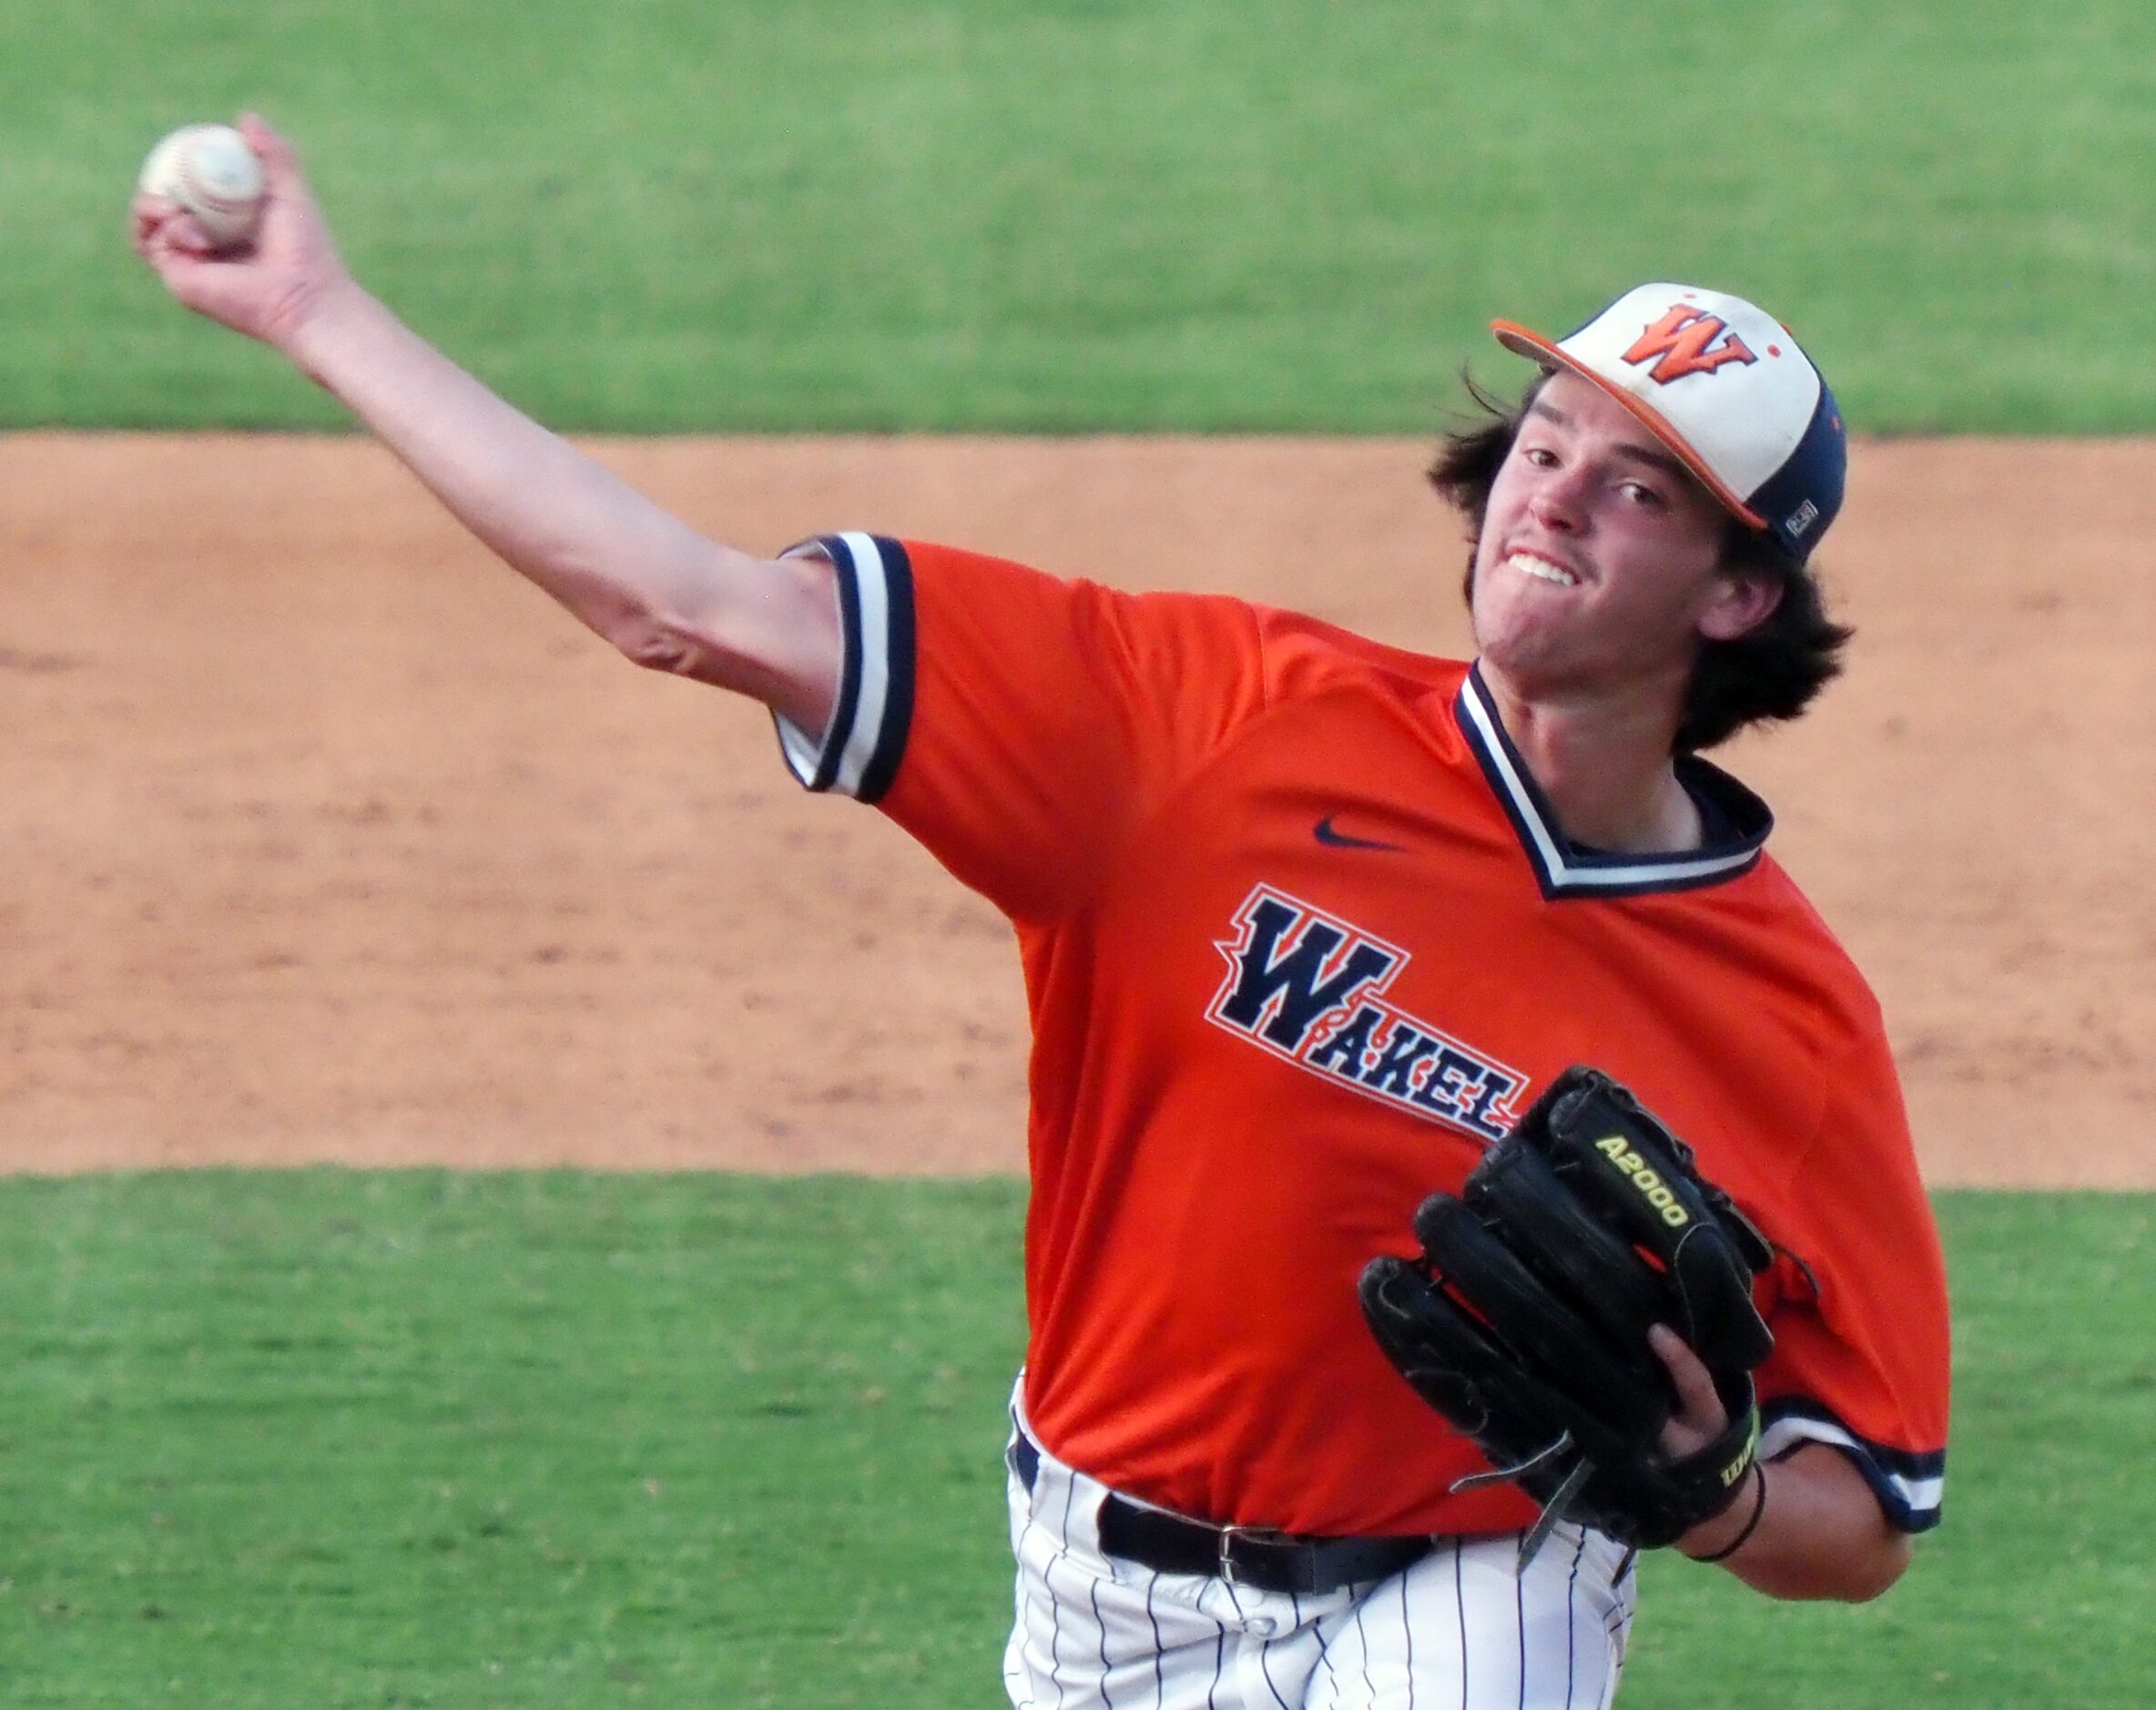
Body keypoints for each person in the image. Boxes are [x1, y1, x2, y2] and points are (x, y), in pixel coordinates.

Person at [135, 117, 1949, 1709]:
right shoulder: (1198, 723)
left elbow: (1864, 1513)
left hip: (1477, 1577)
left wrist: (1704, 1494)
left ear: (1731, 597)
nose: (1549, 493)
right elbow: (682, 605)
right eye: (1544, 442)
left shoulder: (1786, 1016)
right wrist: (314, 314)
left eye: (1633, 485)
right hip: (1102, 1595)